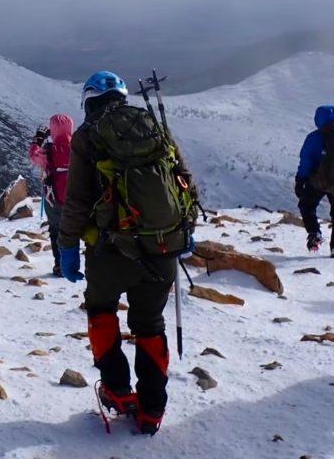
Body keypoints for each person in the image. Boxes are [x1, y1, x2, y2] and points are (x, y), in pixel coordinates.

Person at [57, 71, 196, 436]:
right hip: (162, 247)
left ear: (89, 101)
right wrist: (187, 230)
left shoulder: (87, 136)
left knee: (101, 311)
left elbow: (76, 199)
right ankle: (152, 411)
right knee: (150, 324)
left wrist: (67, 245)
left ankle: (118, 392)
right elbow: (183, 180)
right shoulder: (152, 126)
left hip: (111, 249)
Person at [295, 105, 334, 257]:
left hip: (318, 181)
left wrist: (300, 179)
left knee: (307, 206)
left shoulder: (314, 138)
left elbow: (306, 161)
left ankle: (314, 233)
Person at [29, 114, 74, 275]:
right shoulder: (78, 148)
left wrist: (38, 138)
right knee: (73, 231)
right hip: (76, 198)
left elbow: (34, 155)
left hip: (53, 199)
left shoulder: (49, 151)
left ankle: (60, 266)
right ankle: (74, 265)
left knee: (56, 231)